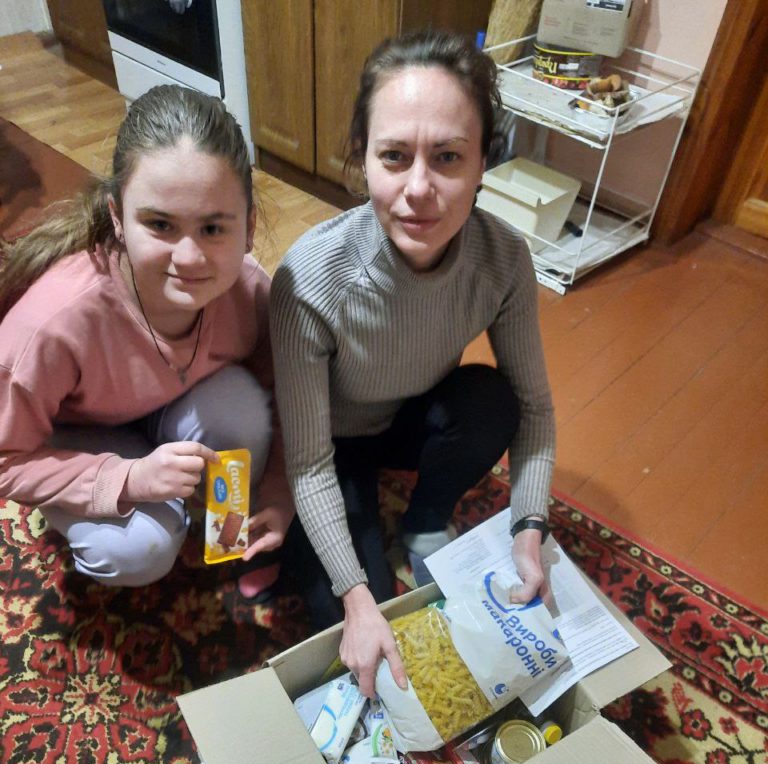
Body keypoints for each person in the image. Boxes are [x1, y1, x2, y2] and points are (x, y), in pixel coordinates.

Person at [270, 30, 555, 697]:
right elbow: (306, 462)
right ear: (362, 157)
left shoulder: (504, 258)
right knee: (359, 628)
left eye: (448, 157)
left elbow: (536, 407)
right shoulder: (310, 277)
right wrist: (356, 596)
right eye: (394, 157)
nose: (419, 189)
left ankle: (426, 517)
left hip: (410, 415)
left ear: (484, 162)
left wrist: (529, 529)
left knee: (494, 400)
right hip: (330, 445)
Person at [0, 85, 292, 589]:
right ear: (117, 217)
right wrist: (128, 478)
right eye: (160, 224)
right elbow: (6, 461)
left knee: (246, 414)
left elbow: (288, 396)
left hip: (172, 407)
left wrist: (279, 487)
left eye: (213, 229)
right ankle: (97, 507)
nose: (190, 258)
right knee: (139, 549)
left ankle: (220, 532)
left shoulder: (251, 293)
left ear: (249, 228)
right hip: (76, 433)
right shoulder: (47, 326)